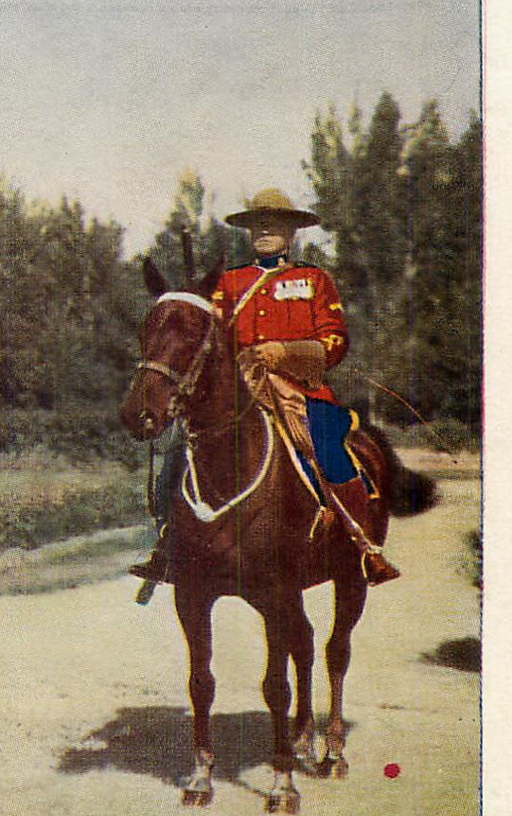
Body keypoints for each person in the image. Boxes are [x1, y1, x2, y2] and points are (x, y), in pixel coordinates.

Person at [129, 188, 401, 586]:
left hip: (300, 390)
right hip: (241, 387)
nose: (265, 231)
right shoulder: (229, 283)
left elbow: (335, 340)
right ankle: (168, 545)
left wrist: (287, 352)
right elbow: (205, 338)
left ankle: (363, 547)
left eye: (274, 224)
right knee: (179, 453)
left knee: (330, 448)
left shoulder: (313, 280)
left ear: (291, 232)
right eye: (258, 224)